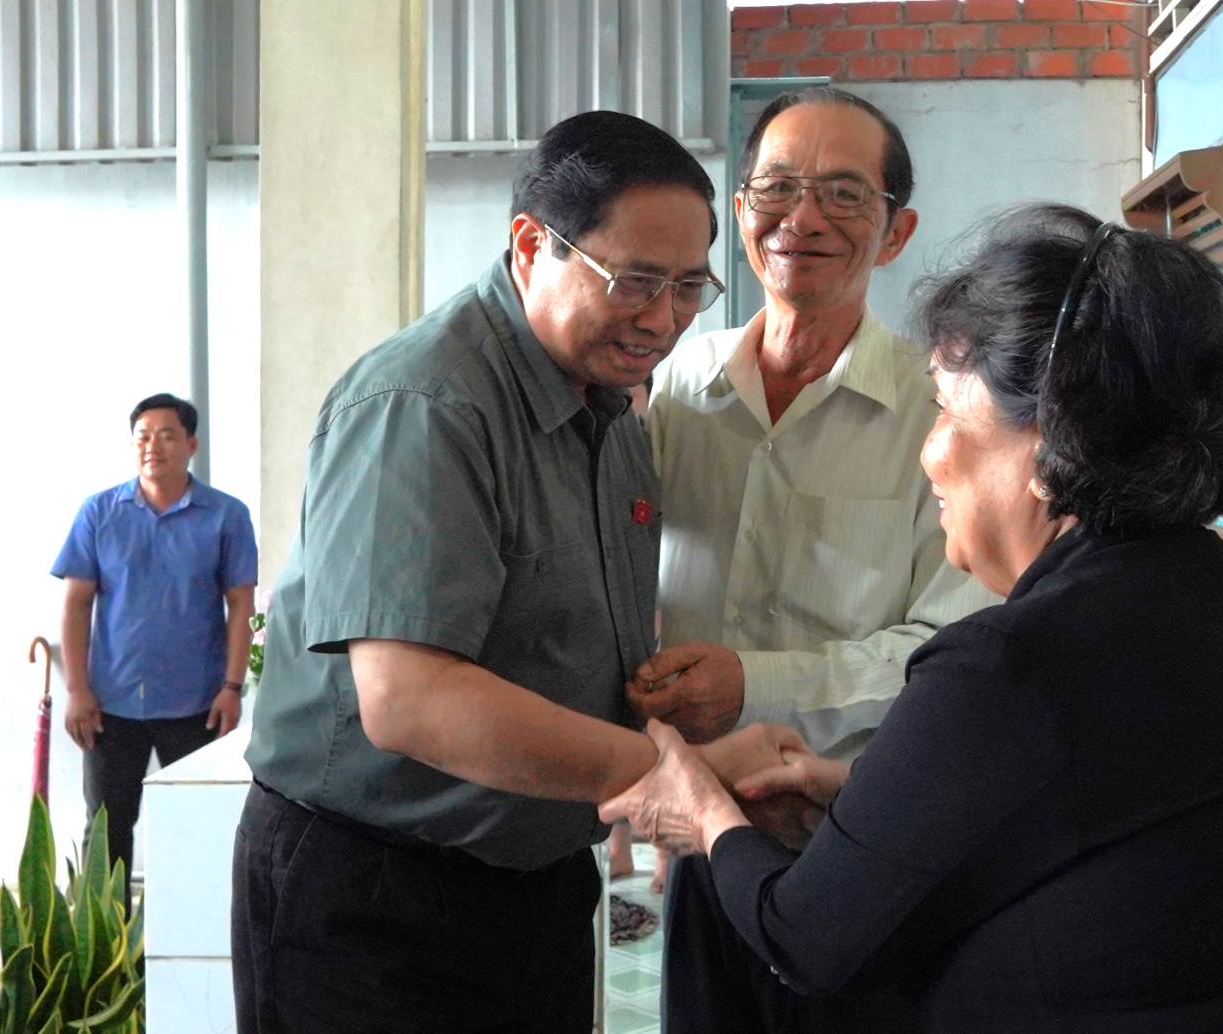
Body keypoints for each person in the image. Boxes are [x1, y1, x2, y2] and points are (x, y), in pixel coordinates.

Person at [603, 204, 1223, 1032]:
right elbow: (1115, 807)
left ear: (1050, 442)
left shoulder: (1017, 662)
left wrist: (703, 811)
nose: (929, 454)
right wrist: (863, 798)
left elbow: (805, 938)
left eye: (948, 414)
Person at [231, 111, 802, 1034]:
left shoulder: (609, 414)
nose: (662, 319)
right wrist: (667, 778)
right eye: (635, 281)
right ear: (531, 245)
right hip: (375, 896)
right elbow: (409, 698)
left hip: (532, 880)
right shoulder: (425, 405)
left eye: (691, 286)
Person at [633, 87, 997, 1032]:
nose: (802, 220)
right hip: (706, 845)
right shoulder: (672, 390)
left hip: (867, 846)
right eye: (777, 189)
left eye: (843, 195)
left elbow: (941, 652)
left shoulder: (942, 414)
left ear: (895, 231)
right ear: (741, 210)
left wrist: (748, 685)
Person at [51, 393, 257, 887]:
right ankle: (111, 960)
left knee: (196, 830)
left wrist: (232, 687)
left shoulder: (226, 516)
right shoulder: (99, 512)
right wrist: (78, 691)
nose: (153, 446)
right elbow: (77, 604)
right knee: (106, 835)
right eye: (142, 436)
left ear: (191, 444)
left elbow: (241, 605)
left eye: (166, 435)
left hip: (196, 704)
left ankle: (189, 959)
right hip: (111, 705)